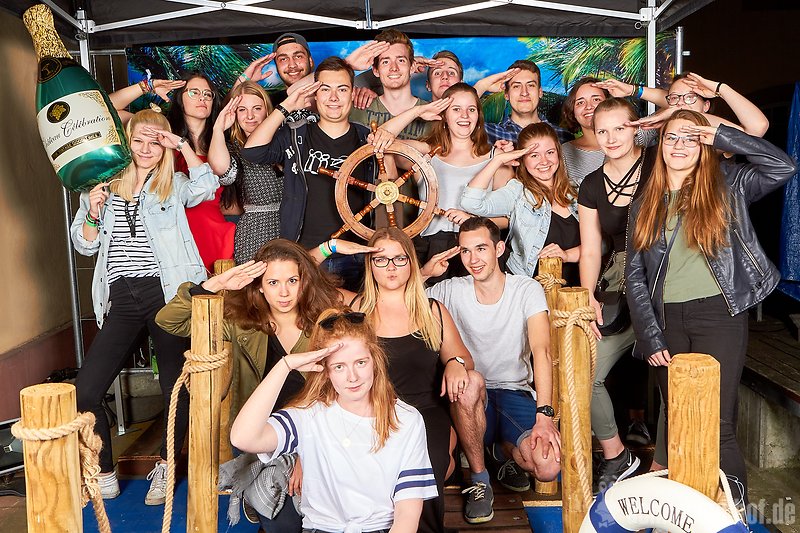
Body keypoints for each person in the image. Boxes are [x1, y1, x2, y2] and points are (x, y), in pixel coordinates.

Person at [625, 110, 796, 504]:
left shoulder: (728, 185)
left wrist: (721, 135)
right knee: (678, 419)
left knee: (719, 425)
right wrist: (649, 335)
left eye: (690, 137)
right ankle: (687, 513)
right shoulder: (644, 203)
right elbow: (634, 275)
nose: (679, 145)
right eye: (672, 137)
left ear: (703, 145)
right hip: (667, 321)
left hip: (719, 316)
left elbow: (783, 166)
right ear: (660, 145)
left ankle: (733, 518)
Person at [156, 238, 373, 531]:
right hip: (259, 439)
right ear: (259, 285)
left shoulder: (327, 322)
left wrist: (307, 455)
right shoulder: (241, 321)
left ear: (303, 281)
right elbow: (169, 321)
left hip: (316, 437)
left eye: (292, 281)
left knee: (323, 516)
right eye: (273, 282)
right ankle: (261, 494)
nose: (283, 292)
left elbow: (341, 393)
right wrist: (215, 284)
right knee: (282, 521)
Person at [69, 109, 217, 505]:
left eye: (156, 142)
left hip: (166, 293)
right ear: (126, 142)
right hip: (121, 296)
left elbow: (208, 185)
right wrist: (94, 212)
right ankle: (104, 472)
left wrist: (181, 145)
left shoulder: (174, 184)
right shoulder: (101, 187)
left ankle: (166, 466)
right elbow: (84, 244)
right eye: (139, 140)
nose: (147, 149)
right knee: (85, 390)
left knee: (173, 386)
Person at [230, 308, 438, 533]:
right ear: (326, 371)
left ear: (375, 360)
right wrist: (284, 366)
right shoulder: (309, 415)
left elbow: (407, 514)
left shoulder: (406, 420)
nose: (352, 377)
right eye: (339, 367)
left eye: (361, 362)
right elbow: (243, 438)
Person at [422, 217, 561, 524]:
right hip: (470, 397)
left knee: (548, 465)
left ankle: (501, 452)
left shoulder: (525, 288)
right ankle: (479, 477)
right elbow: (395, 297)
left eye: (481, 248)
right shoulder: (449, 290)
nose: (473, 259)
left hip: (514, 392)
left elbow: (542, 350)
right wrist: (425, 273)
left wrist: (545, 415)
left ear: (498, 249)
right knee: (471, 382)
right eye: (465, 251)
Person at [351, 227, 486, 533]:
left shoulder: (431, 309)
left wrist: (455, 363)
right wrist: (332, 247)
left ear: (411, 263)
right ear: (370, 265)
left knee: (428, 465)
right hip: (376, 411)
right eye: (381, 259)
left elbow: (463, 357)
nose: (391, 267)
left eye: (399, 259)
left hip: (426, 411)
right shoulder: (358, 311)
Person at [241, 57, 376, 291]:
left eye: (342, 89)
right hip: (304, 253)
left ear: (353, 93)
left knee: (357, 314)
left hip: (357, 254)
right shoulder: (295, 134)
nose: (333, 97)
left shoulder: (367, 138)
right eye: (325, 89)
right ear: (315, 94)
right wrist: (286, 106)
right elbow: (253, 152)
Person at [577, 97, 658, 490]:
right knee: (587, 374)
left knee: (673, 376)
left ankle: (661, 465)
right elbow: (591, 249)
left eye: (620, 128)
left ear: (637, 127)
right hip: (619, 282)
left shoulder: (660, 163)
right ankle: (616, 455)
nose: (610, 137)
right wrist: (587, 295)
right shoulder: (591, 184)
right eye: (602, 130)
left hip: (663, 275)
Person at [375, 83, 512, 282]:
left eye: (471, 109)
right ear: (444, 115)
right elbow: (378, 139)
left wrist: (473, 219)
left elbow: (509, 219)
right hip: (430, 249)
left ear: (478, 116)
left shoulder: (497, 157)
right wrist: (418, 111)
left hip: (478, 250)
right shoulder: (426, 153)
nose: (464, 116)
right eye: (456, 109)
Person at [461, 123, 581, 285]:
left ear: (558, 153)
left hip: (577, 289)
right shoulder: (517, 192)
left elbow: (602, 243)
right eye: (534, 155)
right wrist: (498, 159)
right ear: (523, 159)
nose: (544, 161)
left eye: (550, 152)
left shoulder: (578, 189)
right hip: (527, 287)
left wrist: (567, 255)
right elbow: (471, 202)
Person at [166, 71, 237, 272]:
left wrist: (218, 130)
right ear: (180, 98)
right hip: (178, 231)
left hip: (216, 232)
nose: (202, 98)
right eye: (194, 92)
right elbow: (110, 111)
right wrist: (147, 87)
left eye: (207, 94)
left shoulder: (222, 141)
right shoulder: (165, 139)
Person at [208, 81, 283, 264]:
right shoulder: (234, 148)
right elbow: (222, 171)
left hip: (292, 225)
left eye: (257, 108)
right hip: (256, 231)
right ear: (234, 114)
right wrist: (218, 129)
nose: (250, 116)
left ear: (267, 110)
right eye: (242, 110)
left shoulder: (285, 139)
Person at [595, 72, 769, 137]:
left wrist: (720, 89)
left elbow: (758, 128)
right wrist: (633, 90)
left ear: (706, 106)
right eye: (675, 98)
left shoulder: (714, 135)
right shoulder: (661, 130)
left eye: (690, 97)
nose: (681, 104)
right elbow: (675, 105)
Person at [349, 29, 433, 141]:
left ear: (412, 67)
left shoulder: (431, 112)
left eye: (401, 60)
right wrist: (347, 64)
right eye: (386, 62)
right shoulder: (358, 109)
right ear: (375, 70)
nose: (394, 68)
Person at [483, 60, 573, 146]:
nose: (524, 92)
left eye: (530, 85)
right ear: (506, 94)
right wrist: (482, 85)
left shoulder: (563, 136)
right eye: (516, 86)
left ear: (540, 92)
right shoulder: (489, 133)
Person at [560, 77, 610, 187]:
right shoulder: (564, 152)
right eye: (580, 102)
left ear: (609, 104)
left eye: (596, 99)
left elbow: (653, 119)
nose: (588, 107)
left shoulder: (630, 138)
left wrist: (633, 90)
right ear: (573, 111)